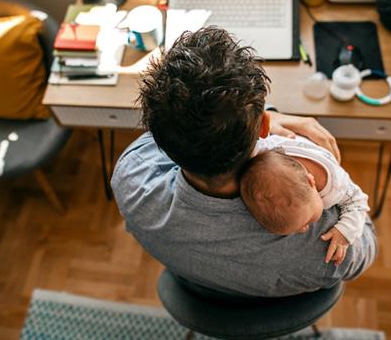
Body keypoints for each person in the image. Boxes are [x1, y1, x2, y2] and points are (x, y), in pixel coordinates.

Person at [111, 26, 377, 297]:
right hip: (276, 307)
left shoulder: (131, 180)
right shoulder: (318, 239)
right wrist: (272, 118)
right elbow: (367, 244)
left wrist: (267, 119)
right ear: (264, 127)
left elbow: (157, 137)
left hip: (199, 293)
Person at [239, 135, 370, 266]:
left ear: (311, 181)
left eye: (308, 220)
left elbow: (359, 202)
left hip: (314, 143)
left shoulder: (335, 187)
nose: (305, 229)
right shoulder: (261, 155)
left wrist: (344, 233)